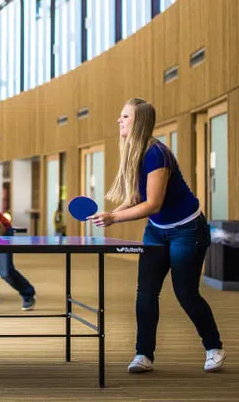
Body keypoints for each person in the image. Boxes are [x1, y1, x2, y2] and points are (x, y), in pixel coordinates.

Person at [88, 98, 225, 373]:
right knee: (146, 293)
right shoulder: (134, 152)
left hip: (187, 230)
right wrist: (113, 212)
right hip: (157, 231)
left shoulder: (156, 155)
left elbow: (153, 204)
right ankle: (143, 355)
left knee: (186, 293)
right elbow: (137, 197)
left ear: (137, 122)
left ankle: (214, 346)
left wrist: (115, 217)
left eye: (124, 116)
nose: (119, 120)